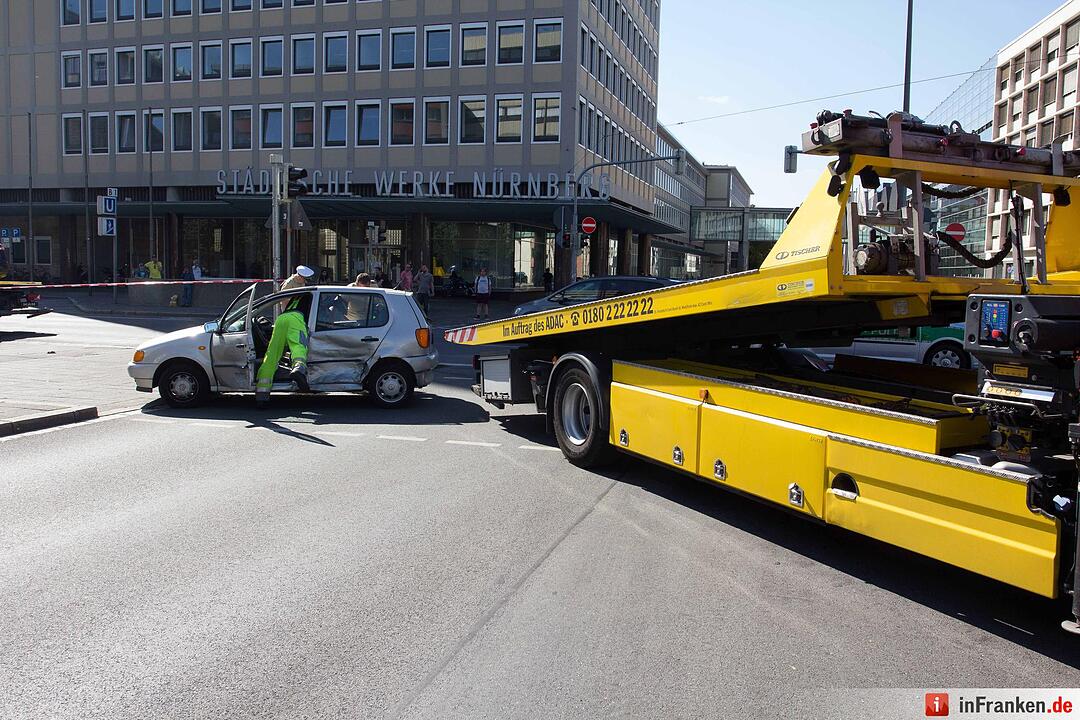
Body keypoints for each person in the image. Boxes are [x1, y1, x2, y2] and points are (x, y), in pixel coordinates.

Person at [255, 292, 313, 407]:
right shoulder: (311, 295)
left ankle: (262, 396)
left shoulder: (299, 295)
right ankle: (298, 368)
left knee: (271, 355)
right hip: (296, 318)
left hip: (281, 319)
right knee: (299, 345)